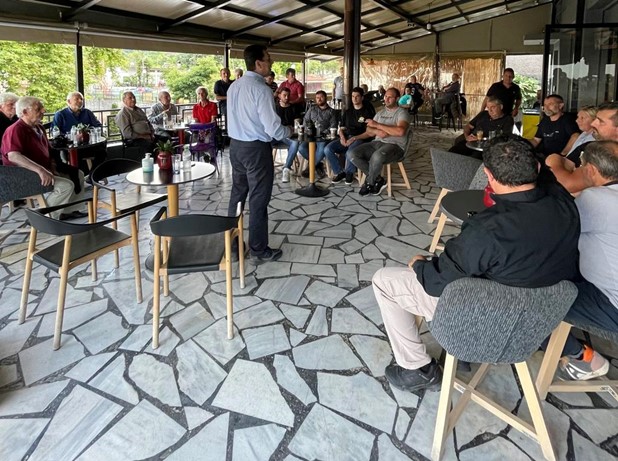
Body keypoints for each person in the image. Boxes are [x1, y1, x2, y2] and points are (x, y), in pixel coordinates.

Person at [372, 135, 580, 392]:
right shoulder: (563, 202)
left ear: (488, 175)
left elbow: (436, 283)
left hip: (482, 319)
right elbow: (547, 178)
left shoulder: (487, 230)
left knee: (384, 281)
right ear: (537, 167)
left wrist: (419, 265)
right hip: (537, 321)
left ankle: (417, 369)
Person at [552, 140, 618, 381]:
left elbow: (554, 229)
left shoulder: (596, 199)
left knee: (529, 294)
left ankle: (582, 357)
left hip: (611, 305)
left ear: (590, 169)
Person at [227, 44, 291, 262]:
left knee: (237, 195)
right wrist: (289, 131)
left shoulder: (233, 87)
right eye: (268, 58)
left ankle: (233, 246)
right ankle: (259, 249)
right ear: (258, 63)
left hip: (236, 147)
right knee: (258, 198)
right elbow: (273, 129)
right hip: (255, 149)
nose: (271, 62)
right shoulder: (261, 89)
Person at [1, 96, 87, 220]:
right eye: (38, 109)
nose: (43, 110)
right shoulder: (15, 129)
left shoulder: (39, 127)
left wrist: (52, 166)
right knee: (65, 186)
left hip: (43, 170)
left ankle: (68, 211)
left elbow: (49, 151)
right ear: (25, 112)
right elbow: (13, 156)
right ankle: (42, 219)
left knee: (78, 174)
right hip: (23, 176)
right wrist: (40, 170)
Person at [349, 87, 410, 196]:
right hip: (377, 143)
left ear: (397, 99)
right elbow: (369, 130)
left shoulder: (402, 113)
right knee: (352, 153)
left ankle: (369, 182)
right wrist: (377, 131)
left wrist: (378, 125)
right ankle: (378, 179)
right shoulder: (380, 113)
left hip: (395, 146)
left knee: (377, 156)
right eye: (385, 96)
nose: (386, 99)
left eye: (390, 97)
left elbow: (400, 131)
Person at [545, 102, 617, 193]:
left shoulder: (604, 153)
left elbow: (567, 185)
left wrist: (554, 159)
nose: (593, 123)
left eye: (600, 121)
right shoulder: (588, 146)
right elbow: (567, 163)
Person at [325, 86, 375, 185]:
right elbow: (341, 128)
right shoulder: (348, 112)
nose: (354, 99)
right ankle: (340, 172)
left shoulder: (367, 112)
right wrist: (342, 138)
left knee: (350, 151)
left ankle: (349, 173)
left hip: (361, 139)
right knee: (327, 149)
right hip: (347, 138)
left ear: (362, 98)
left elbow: (370, 133)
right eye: (353, 96)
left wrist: (354, 138)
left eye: (357, 96)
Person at [53, 91, 106, 174]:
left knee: (102, 152)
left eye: (81, 99)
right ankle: (79, 177)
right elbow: (55, 133)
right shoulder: (60, 115)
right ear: (69, 101)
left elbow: (98, 126)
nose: (80, 101)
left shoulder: (87, 112)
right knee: (76, 156)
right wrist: (72, 136)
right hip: (70, 148)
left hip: (87, 145)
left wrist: (88, 132)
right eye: (77, 99)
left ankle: (93, 175)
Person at [449, 96, 514, 159]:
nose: (490, 110)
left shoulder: (507, 119)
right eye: (488, 108)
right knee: (452, 152)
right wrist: (467, 137)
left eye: (493, 107)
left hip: (487, 148)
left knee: (473, 159)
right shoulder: (483, 114)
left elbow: (505, 138)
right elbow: (468, 126)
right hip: (470, 143)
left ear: (501, 106)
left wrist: (482, 139)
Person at [298, 90, 337, 178]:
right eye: (317, 98)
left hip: (323, 137)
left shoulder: (331, 111)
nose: (319, 99)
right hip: (310, 135)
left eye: (321, 97)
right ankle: (318, 164)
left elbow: (333, 126)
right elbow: (305, 120)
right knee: (301, 148)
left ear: (326, 98)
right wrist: (308, 129)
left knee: (322, 148)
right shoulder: (312, 109)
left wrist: (323, 133)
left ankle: (310, 168)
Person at [276, 88, 302, 183]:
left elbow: (298, 120)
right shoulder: (275, 108)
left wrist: (297, 122)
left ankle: (286, 168)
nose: (287, 98)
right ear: (279, 95)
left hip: (288, 135)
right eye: (284, 95)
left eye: (288, 95)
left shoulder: (293, 107)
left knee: (295, 143)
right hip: (275, 135)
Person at [0, 92, 19, 163]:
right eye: (10, 104)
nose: (14, 107)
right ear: (1, 106)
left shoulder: (17, 118)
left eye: (15, 104)